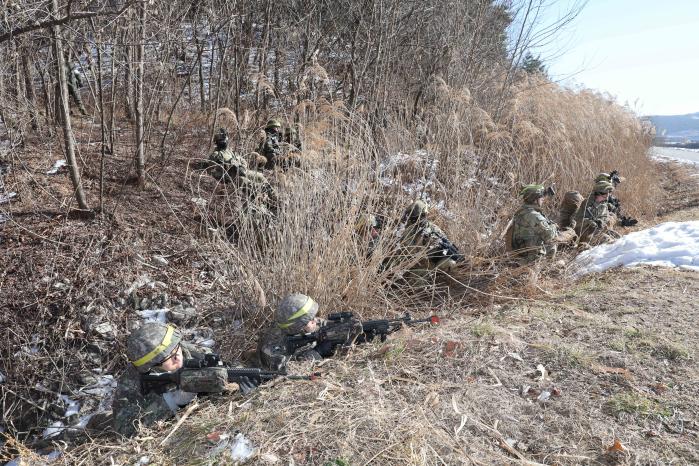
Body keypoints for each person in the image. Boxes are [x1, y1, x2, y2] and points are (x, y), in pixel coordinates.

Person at [112, 322, 254, 437]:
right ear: (152, 366)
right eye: (168, 357)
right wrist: (171, 401)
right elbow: (124, 430)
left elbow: (229, 370)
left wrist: (238, 386)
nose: (177, 357)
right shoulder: (131, 382)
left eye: (176, 348)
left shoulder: (195, 354)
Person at [257, 294, 362, 371]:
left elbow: (326, 325)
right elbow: (290, 370)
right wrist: (318, 352)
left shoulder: (306, 325)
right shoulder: (272, 346)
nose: (315, 321)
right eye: (310, 320)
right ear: (298, 327)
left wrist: (343, 329)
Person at [393, 200, 463, 280]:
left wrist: (438, 250)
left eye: (422, 216)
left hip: (432, 264)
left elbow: (444, 245)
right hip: (414, 268)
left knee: (451, 262)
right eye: (416, 217)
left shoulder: (433, 229)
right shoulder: (407, 232)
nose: (419, 220)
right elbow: (405, 254)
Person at [509, 184, 576, 262]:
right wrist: (555, 227)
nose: (543, 199)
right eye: (541, 197)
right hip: (531, 258)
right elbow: (550, 236)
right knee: (553, 243)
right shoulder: (533, 215)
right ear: (534, 199)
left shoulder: (523, 211)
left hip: (522, 251)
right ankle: (547, 265)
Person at [573, 179, 620, 244]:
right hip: (585, 233)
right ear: (598, 193)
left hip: (598, 231)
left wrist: (602, 222)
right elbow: (575, 221)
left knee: (618, 238)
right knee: (607, 240)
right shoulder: (586, 204)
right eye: (605, 194)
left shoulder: (603, 205)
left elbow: (606, 218)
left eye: (608, 194)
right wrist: (589, 222)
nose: (607, 196)